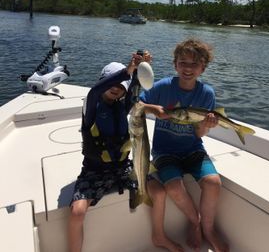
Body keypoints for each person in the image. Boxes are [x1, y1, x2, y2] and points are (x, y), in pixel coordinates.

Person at [140, 38, 229, 252]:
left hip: (193, 149)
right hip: (165, 151)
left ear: (202, 68)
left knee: (213, 183)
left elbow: (199, 133)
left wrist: (206, 126)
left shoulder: (206, 93)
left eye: (194, 64)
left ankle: (208, 229)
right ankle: (195, 222)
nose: (188, 68)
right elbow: (138, 104)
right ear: (175, 64)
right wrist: (154, 110)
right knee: (172, 187)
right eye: (183, 63)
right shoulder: (163, 86)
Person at [68, 53, 148, 252]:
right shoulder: (92, 104)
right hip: (94, 170)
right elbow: (96, 91)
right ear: (103, 82)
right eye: (113, 82)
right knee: (77, 212)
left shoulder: (123, 106)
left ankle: (159, 236)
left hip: (123, 167)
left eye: (121, 86)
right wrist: (126, 71)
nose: (116, 88)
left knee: (159, 188)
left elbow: (134, 87)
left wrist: (141, 66)